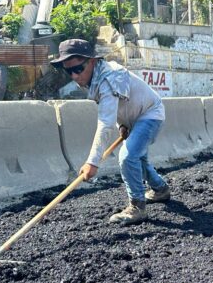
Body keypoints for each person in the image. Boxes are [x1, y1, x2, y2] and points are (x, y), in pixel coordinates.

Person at [50, 39, 171, 226]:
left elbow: (105, 122)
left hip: (150, 113)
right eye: (68, 71)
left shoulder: (109, 78)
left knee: (128, 157)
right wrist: (123, 124)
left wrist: (92, 161)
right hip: (135, 116)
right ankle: (160, 189)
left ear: (91, 61)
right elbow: (118, 105)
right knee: (138, 158)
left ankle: (137, 207)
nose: (74, 76)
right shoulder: (95, 76)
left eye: (77, 69)